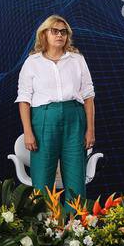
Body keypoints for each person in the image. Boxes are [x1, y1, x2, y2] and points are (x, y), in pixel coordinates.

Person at [16, 15, 95, 199]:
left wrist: (90, 129)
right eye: (55, 31)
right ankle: (44, 225)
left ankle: (74, 225)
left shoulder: (77, 60)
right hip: (44, 119)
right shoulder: (32, 62)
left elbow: (89, 96)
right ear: (44, 34)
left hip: (74, 118)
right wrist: (28, 132)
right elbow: (24, 99)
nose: (60, 35)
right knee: (42, 177)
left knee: (75, 175)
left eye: (63, 32)